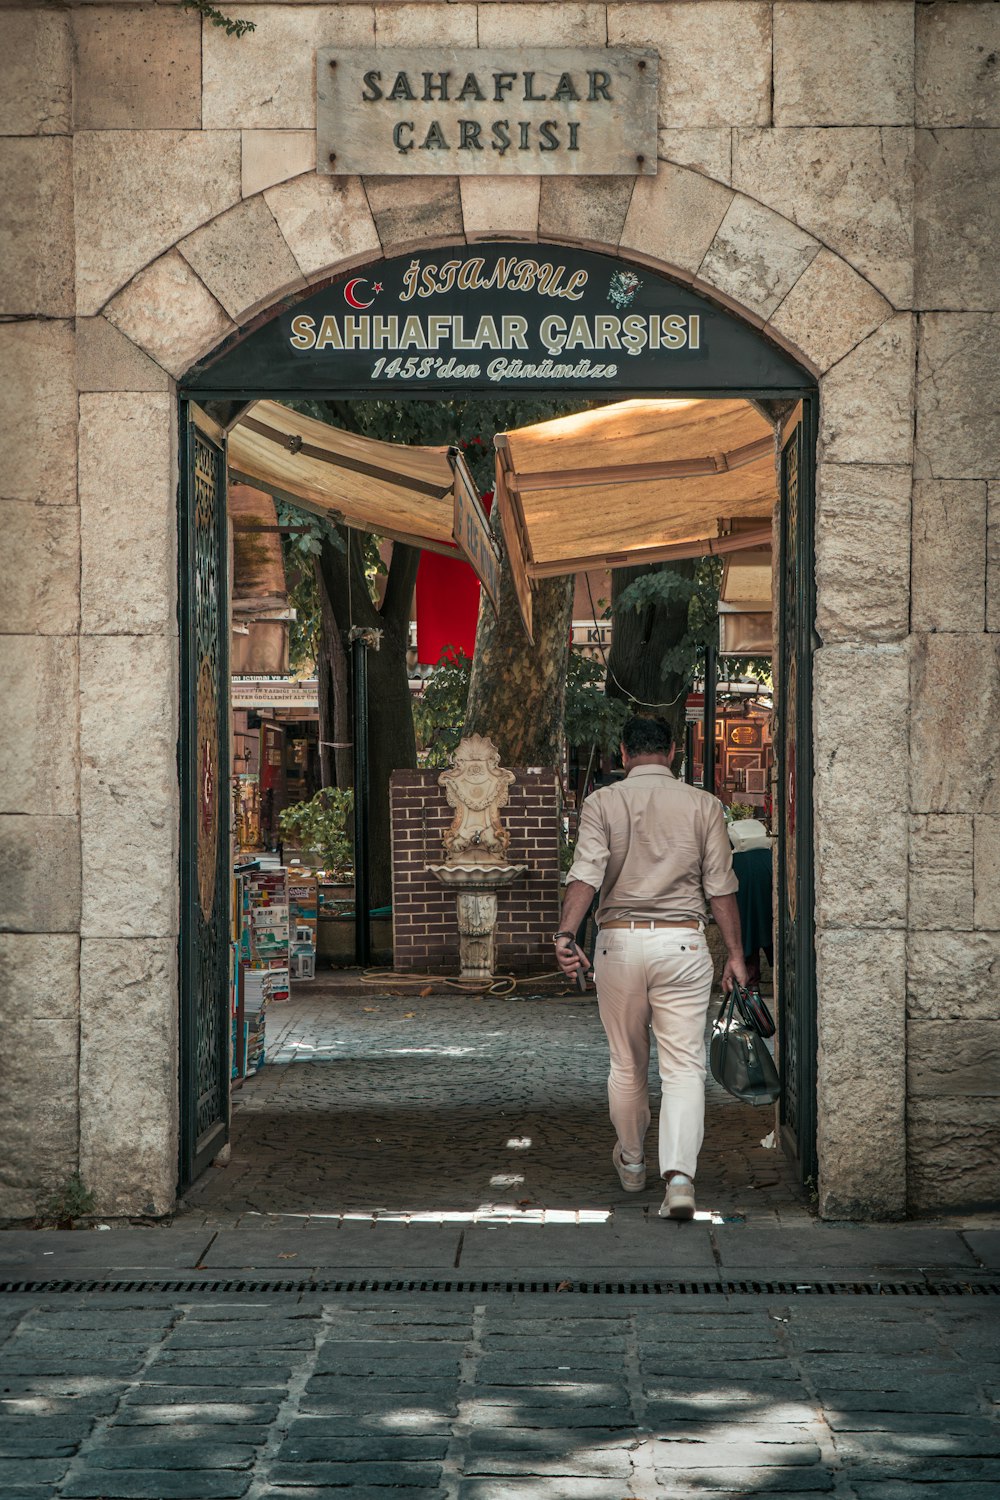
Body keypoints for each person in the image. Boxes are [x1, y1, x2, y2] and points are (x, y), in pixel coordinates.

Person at [553, 716, 748, 1221]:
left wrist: (565, 934)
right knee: (684, 1066)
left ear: (622, 753)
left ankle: (635, 1161)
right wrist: (736, 955)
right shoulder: (704, 806)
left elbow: (586, 873)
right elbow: (720, 887)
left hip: (618, 944)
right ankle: (680, 1178)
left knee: (626, 1062)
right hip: (683, 944)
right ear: (674, 752)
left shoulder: (601, 803)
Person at [728, 817, 774, 987]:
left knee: (749, 963)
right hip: (770, 915)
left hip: (744, 918)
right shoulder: (772, 858)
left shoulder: (734, 863)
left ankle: (750, 1000)